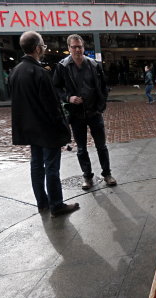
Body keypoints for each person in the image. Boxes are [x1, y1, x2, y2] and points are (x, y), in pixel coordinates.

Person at [9, 31, 79, 217]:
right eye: (43, 45)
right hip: (46, 131)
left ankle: (42, 202)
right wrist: (62, 129)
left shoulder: (15, 72)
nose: (44, 48)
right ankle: (56, 204)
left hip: (31, 131)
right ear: (37, 47)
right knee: (51, 168)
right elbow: (52, 107)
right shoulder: (39, 72)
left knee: (37, 166)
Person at [53, 34, 117, 190]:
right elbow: (55, 88)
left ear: (84, 47)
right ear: (68, 48)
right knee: (81, 148)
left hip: (94, 112)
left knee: (101, 146)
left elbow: (103, 86)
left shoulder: (94, 64)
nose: (77, 50)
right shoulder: (62, 67)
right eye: (74, 47)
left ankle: (107, 174)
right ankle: (87, 177)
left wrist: (101, 105)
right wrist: (69, 97)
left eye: (80, 46)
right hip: (76, 115)